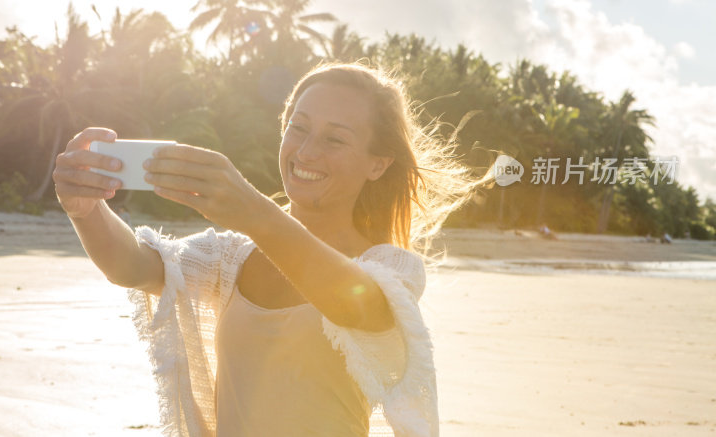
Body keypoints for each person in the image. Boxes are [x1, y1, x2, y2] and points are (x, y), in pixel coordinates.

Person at [53, 63, 476, 437]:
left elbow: (353, 306)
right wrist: (85, 209)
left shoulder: (388, 268)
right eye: (298, 127)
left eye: (335, 139)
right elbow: (131, 266)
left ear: (377, 164)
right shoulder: (230, 258)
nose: (307, 151)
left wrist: (253, 210)